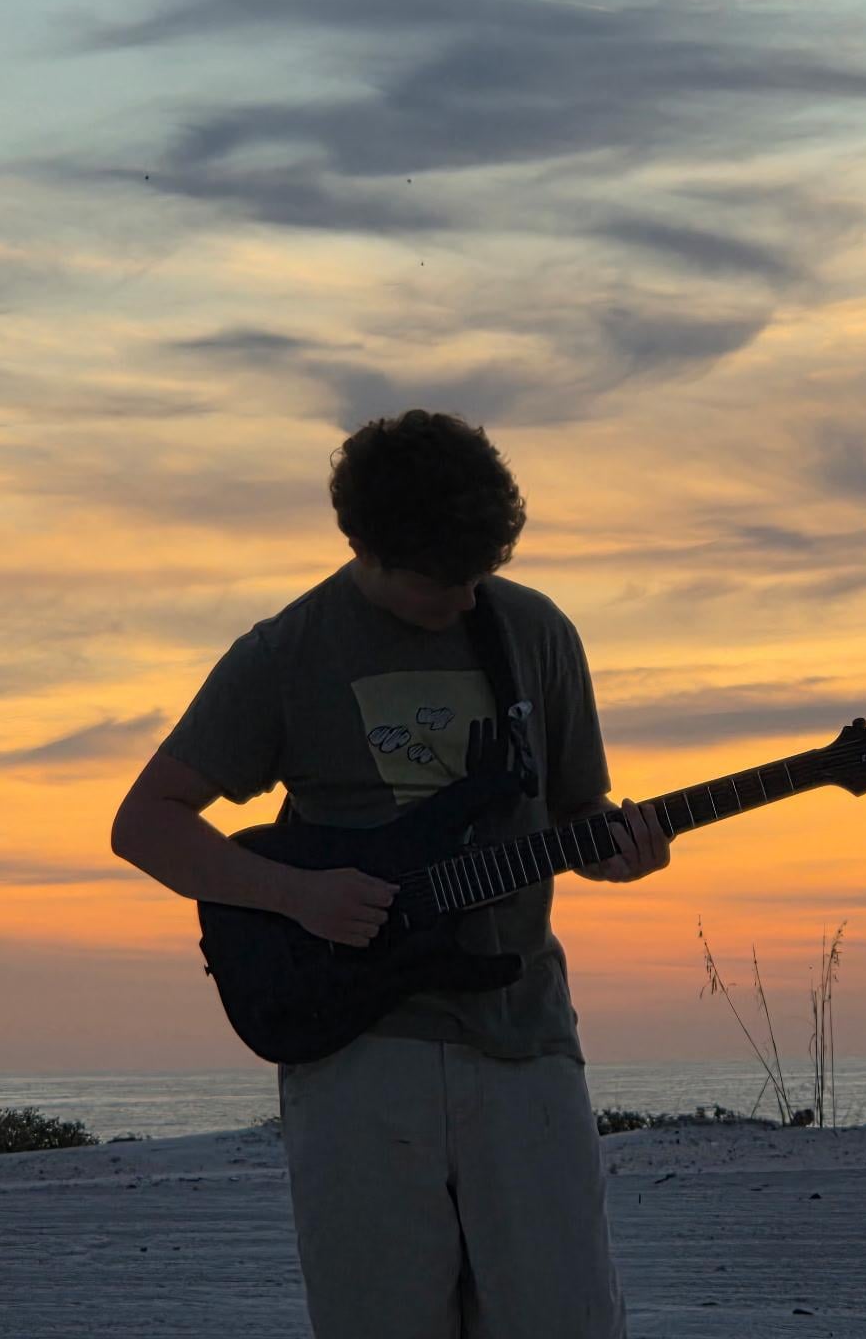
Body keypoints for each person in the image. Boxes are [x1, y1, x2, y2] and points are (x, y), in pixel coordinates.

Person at [110, 408, 667, 1339]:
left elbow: (577, 816)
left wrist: (624, 853)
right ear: (362, 546)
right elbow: (146, 824)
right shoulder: (286, 653)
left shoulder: (535, 631)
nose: (463, 600)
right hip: (361, 1049)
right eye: (437, 583)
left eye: (477, 574)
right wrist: (296, 895)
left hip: (525, 1037)